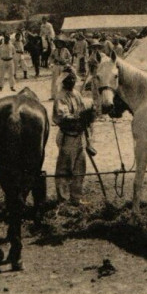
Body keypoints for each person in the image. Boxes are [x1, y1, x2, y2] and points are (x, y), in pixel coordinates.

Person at [52, 66, 96, 205]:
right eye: (68, 78)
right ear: (63, 80)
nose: (71, 80)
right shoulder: (60, 97)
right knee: (65, 168)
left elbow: (84, 110)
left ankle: (76, 198)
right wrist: (79, 117)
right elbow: (62, 116)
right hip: (68, 136)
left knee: (79, 168)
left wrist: (89, 113)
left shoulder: (77, 94)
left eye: (73, 78)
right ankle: (63, 200)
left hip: (80, 136)